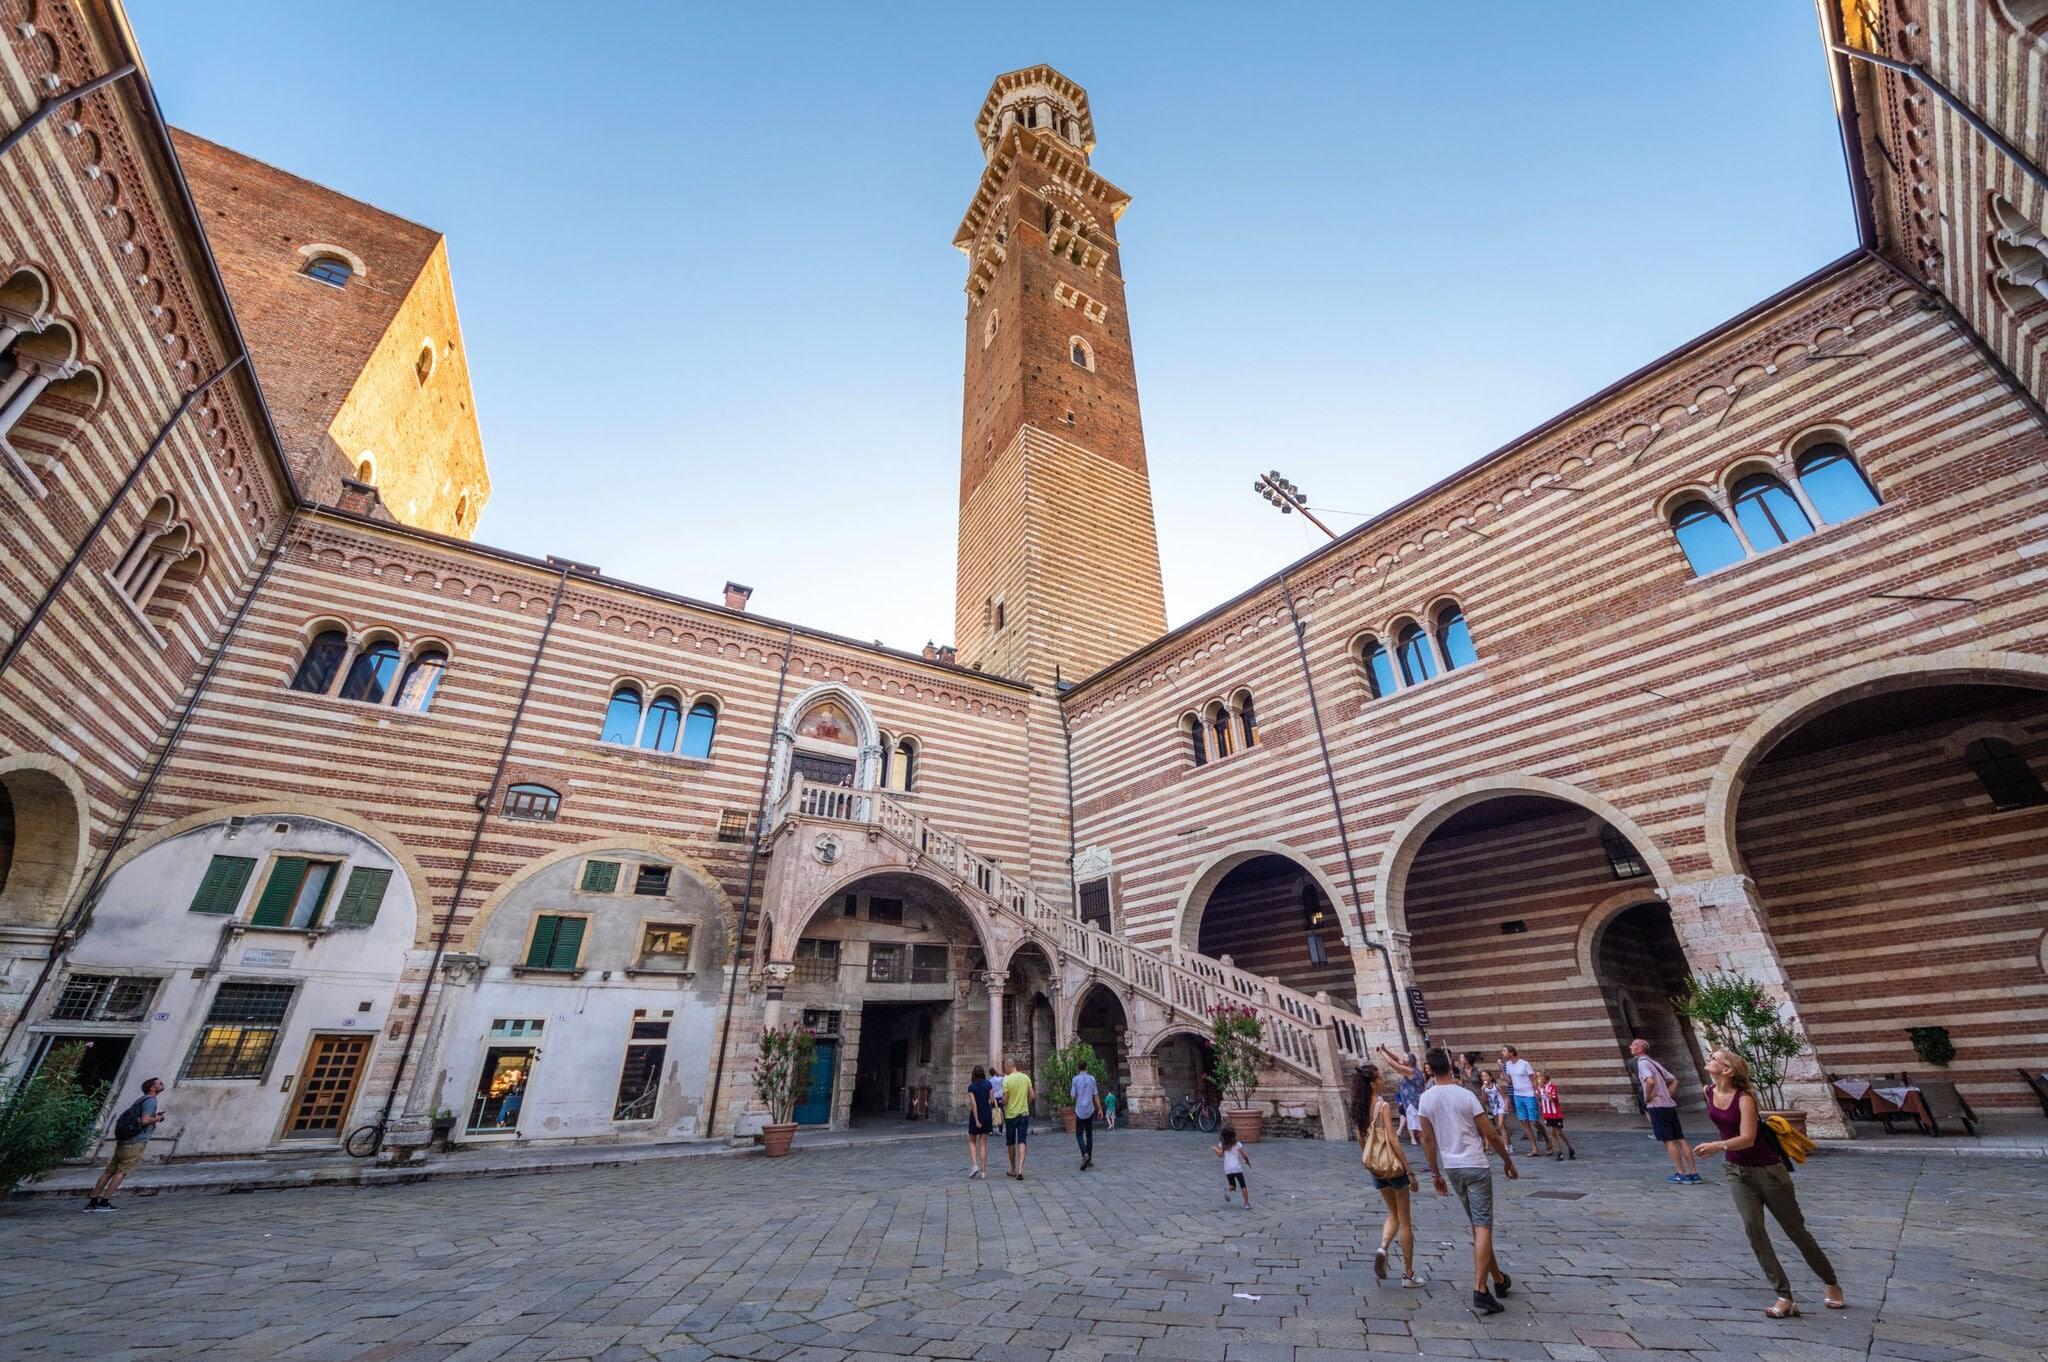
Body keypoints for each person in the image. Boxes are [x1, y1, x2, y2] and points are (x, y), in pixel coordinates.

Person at [1692, 1049, 1845, 1319]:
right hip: (1735, 1170)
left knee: (1795, 1230)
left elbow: (1748, 1138)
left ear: (1727, 1070)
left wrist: (1718, 1145)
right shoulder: (1708, 1092)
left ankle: (1831, 1282)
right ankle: (1784, 1295)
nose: (1710, 1059)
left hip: (1768, 1171)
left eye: (1715, 1058)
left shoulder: (1745, 1099)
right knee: (1753, 1228)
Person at [1418, 1048, 1518, 1315]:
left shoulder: (1425, 1099)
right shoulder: (1466, 1096)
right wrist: (1507, 1162)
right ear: (1450, 1068)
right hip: (1475, 1165)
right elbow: (1491, 1134)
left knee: (1478, 1225)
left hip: (1452, 1169)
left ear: (1429, 1068)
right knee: (1483, 1225)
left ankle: (1498, 1279)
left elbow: (1427, 1140)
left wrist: (1434, 1173)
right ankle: (1480, 1290)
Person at [1350, 1063, 1424, 1288]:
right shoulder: (1381, 1105)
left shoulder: (1359, 1108)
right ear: (1373, 1083)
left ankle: (1383, 1247)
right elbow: (1393, 1141)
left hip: (1375, 1167)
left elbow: (1360, 1139)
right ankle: (1408, 1275)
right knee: (1405, 1221)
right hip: (1393, 1167)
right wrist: (1409, 1170)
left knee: (1393, 1213)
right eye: (1380, 1077)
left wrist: (1368, 1160)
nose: (1383, 1080)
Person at [86, 1076, 165, 1212]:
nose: (163, 1085)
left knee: (110, 1170)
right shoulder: (151, 1101)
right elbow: (145, 1121)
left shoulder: (141, 1100)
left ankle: (93, 1201)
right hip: (136, 1141)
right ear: (153, 1088)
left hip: (125, 1140)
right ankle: (105, 1201)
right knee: (122, 1172)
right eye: (160, 1083)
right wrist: (158, 1118)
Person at [1633, 1039, 1700, 1184]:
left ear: (1639, 1049)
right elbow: (1674, 1080)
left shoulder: (1642, 1063)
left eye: (1633, 1045)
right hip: (1669, 1106)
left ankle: (1681, 1173)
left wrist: (1648, 1096)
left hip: (1657, 1107)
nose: (1630, 1047)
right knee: (1680, 1139)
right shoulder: (1654, 1062)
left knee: (1669, 1141)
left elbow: (1649, 1081)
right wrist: (1667, 1095)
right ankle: (1694, 1173)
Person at [1497, 1045, 1550, 1156]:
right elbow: (1509, 1081)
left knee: (1534, 1122)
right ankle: (1535, 1148)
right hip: (1517, 1095)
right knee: (1524, 1122)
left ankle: (1547, 1140)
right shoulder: (1508, 1065)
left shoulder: (1524, 1064)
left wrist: (1537, 1094)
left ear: (1511, 1052)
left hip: (1529, 1094)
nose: (1502, 1053)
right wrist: (1502, 1069)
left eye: (1504, 1051)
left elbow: (1533, 1079)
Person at [1000, 1059, 1034, 1179]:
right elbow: (1032, 1095)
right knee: (1022, 1140)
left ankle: (1013, 1169)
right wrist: (1026, 1103)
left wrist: (1002, 1103)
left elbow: (1005, 1099)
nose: (1005, 1069)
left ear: (1009, 1066)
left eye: (1005, 1067)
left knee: (1010, 1142)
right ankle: (1020, 1169)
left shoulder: (1007, 1080)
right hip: (1024, 1113)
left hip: (1010, 1114)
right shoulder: (1026, 1078)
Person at [1535, 1070, 1575, 1160]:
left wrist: (1544, 1089)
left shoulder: (1552, 1087)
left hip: (1555, 1114)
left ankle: (1570, 1148)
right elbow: (1540, 1100)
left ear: (1545, 1077)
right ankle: (1559, 1152)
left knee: (1559, 1132)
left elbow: (1551, 1099)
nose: (1538, 1079)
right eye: (1537, 1077)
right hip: (1547, 1114)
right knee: (1552, 1133)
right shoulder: (1539, 1088)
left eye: (1540, 1076)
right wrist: (1538, 1096)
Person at [965, 1065, 996, 1180]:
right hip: (987, 1115)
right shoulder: (988, 1084)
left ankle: (974, 1165)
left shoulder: (971, 1087)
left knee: (972, 1141)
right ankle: (983, 1172)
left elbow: (974, 1105)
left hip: (975, 1117)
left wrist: (977, 1120)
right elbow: (992, 1100)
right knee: (983, 1143)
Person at [1214, 1122, 1252, 1208]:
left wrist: (1215, 1149)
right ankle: (1246, 1204)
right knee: (1243, 1186)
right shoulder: (1238, 1144)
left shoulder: (1222, 1145)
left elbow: (1220, 1154)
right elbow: (1244, 1156)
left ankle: (1228, 1188)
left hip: (1227, 1169)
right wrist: (1247, 1162)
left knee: (1233, 1186)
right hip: (1237, 1168)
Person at [1070, 1064, 1100, 1170]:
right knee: (1089, 1135)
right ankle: (1089, 1159)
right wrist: (1100, 1109)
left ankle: (1084, 1154)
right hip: (1090, 1109)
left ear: (1078, 1068)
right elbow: (1095, 1095)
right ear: (1086, 1067)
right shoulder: (1091, 1079)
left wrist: (1078, 1095)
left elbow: (1073, 1095)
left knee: (1079, 1134)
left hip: (1080, 1110)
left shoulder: (1075, 1079)